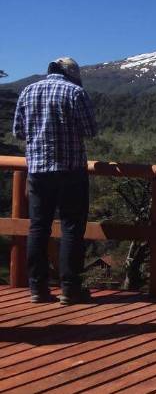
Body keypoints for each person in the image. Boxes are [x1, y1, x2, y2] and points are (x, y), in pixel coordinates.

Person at [13, 58, 97, 305]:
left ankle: (37, 288)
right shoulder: (75, 92)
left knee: (38, 227)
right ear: (71, 74)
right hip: (70, 171)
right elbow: (91, 130)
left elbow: (19, 131)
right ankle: (70, 289)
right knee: (71, 228)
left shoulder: (28, 91)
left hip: (38, 172)